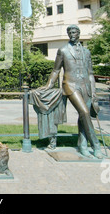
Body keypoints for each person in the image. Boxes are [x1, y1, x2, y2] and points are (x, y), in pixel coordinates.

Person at [40, 24, 103, 159]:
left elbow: (91, 73)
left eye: (74, 32)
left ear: (79, 33)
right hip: (71, 85)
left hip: (85, 85)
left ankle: (83, 146)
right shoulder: (63, 50)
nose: (72, 34)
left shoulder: (87, 52)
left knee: (82, 117)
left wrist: (94, 92)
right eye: (70, 32)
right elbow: (56, 70)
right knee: (85, 112)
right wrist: (48, 85)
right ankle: (96, 145)